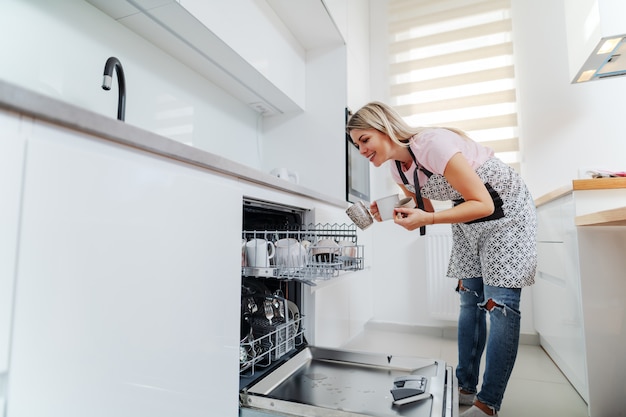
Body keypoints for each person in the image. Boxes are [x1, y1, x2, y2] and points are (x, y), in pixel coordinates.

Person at [346, 102, 537, 417]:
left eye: (365, 139)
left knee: (499, 304)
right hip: (471, 214)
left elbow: (484, 203)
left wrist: (425, 218)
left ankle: (487, 404)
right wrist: (387, 211)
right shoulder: (398, 167)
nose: (362, 149)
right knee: (469, 299)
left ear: (384, 127)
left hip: (506, 212)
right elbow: (428, 212)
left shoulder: (431, 143)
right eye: (357, 145)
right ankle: (465, 387)